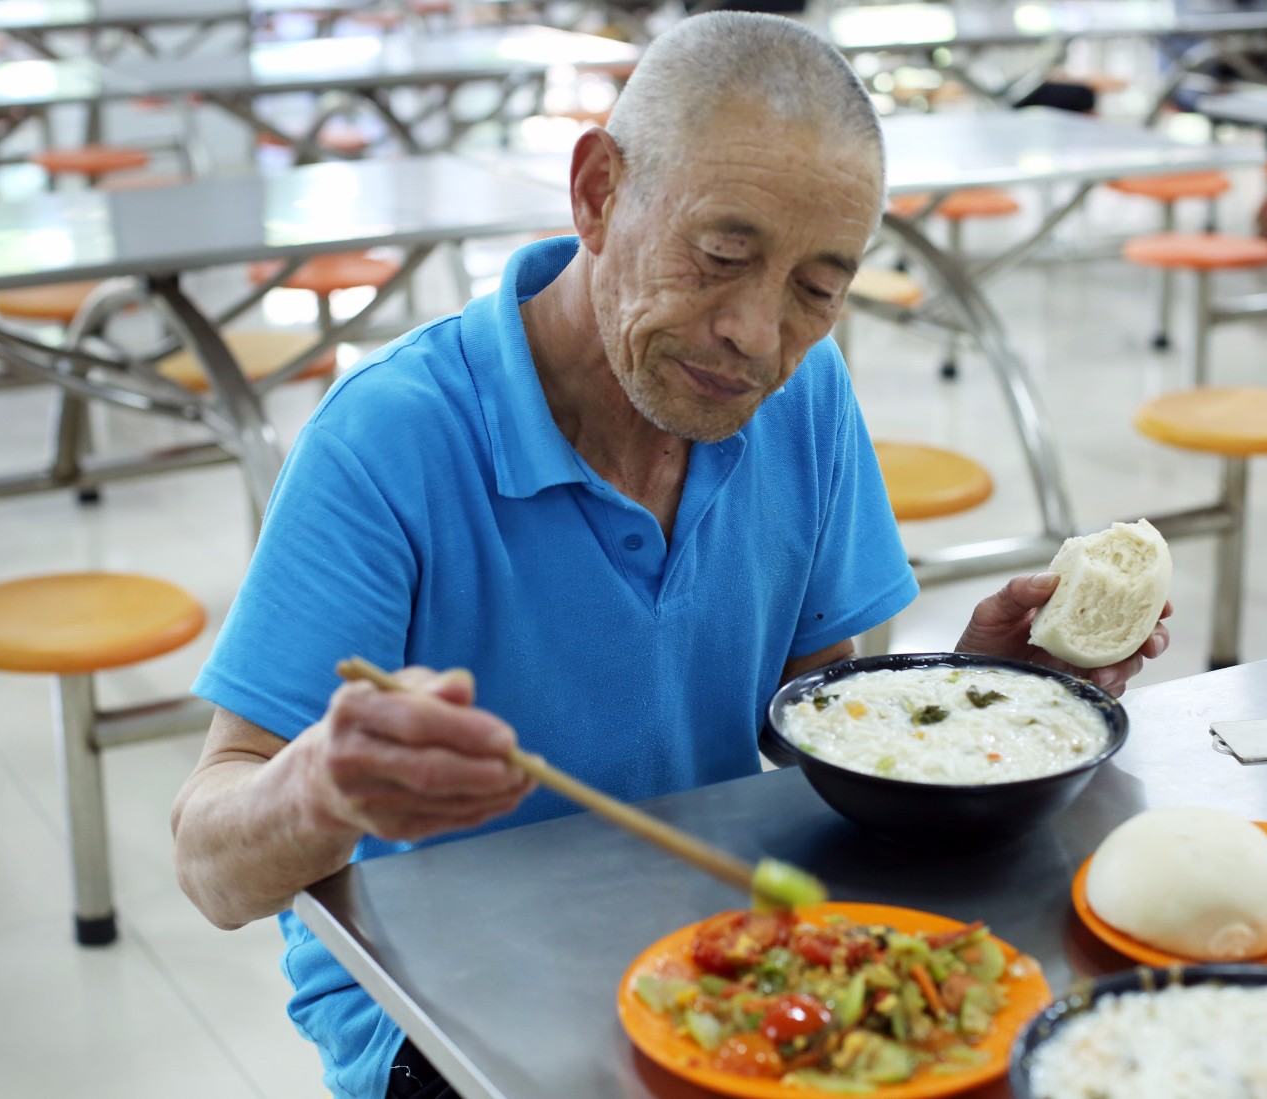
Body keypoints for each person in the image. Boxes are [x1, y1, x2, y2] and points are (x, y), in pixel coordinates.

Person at [171, 12, 1170, 1099]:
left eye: (816, 289)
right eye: (721, 257)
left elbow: (809, 721)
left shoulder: (803, 394)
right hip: (446, 1017)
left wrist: (981, 701)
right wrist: (324, 786)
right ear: (598, 190)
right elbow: (210, 865)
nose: (756, 331)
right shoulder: (391, 438)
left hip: (716, 956)